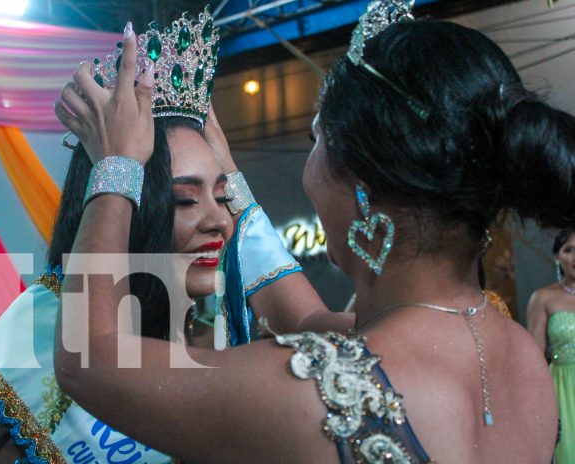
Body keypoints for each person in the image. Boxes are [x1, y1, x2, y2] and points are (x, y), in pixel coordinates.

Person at [53, 1, 569, 462]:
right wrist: (235, 186)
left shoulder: (324, 390)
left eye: (315, 140)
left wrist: (117, 164)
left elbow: (89, 357)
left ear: (362, 189)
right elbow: (303, 316)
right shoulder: (518, 352)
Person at [0, 9, 342, 463]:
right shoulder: (47, 328)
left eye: (224, 198)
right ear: (124, 207)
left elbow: (314, 329)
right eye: (184, 200)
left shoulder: (227, 336)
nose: (219, 222)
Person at [528, 228, 575, 463]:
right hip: (563, 390)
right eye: (569, 250)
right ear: (557, 256)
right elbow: (534, 357)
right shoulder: (543, 297)